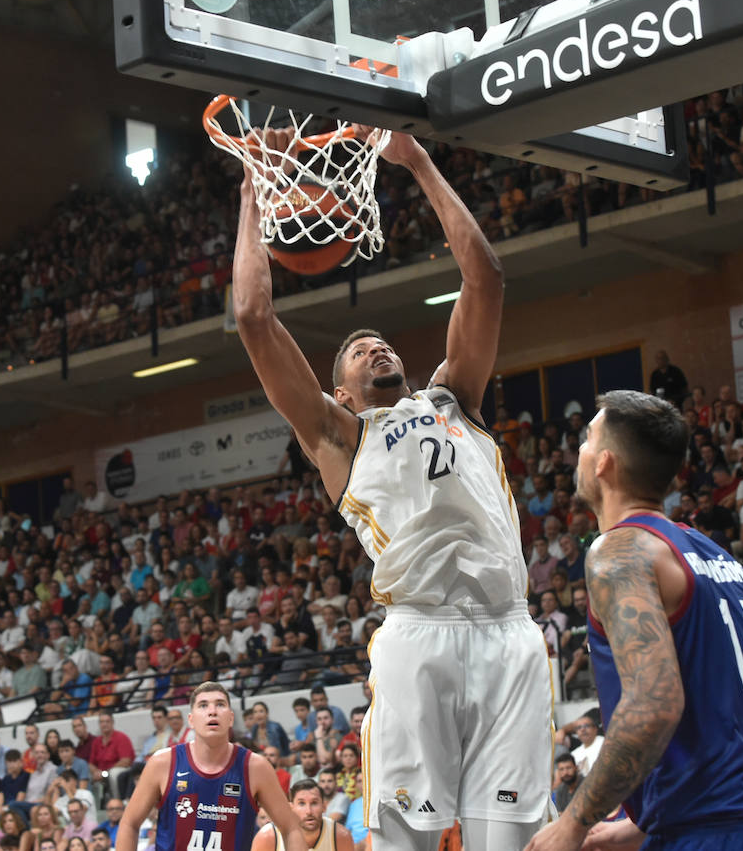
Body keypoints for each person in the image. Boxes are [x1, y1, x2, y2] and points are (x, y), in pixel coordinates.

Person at [232, 129, 550, 850]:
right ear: (338, 388)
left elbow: (487, 279)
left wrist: (418, 163)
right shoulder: (339, 436)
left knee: (510, 842)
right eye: (356, 348)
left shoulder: (454, 399)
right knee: (405, 842)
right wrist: (254, 192)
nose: (376, 345)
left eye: (383, 342)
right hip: (420, 636)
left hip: (510, 630)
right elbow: (254, 318)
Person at [526, 391, 743, 851]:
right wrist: (643, 822)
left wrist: (574, 822)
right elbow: (730, 706)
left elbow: (654, 705)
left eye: (586, 439)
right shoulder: (714, 553)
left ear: (604, 463)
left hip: (714, 831)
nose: (578, 450)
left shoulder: (619, 551)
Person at [115, 681, 304, 851]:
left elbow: (291, 828)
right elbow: (129, 824)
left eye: (220, 704)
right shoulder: (162, 763)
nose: (212, 711)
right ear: (191, 720)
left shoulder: (256, 767)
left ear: (230, 718)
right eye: (203, 705)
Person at [249, 778, 356, 851]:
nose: (309, 811)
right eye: (301, 803)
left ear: (324, 807)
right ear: (291, 808)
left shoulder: (340, 836)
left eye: (314, 803)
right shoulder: (268, 836)